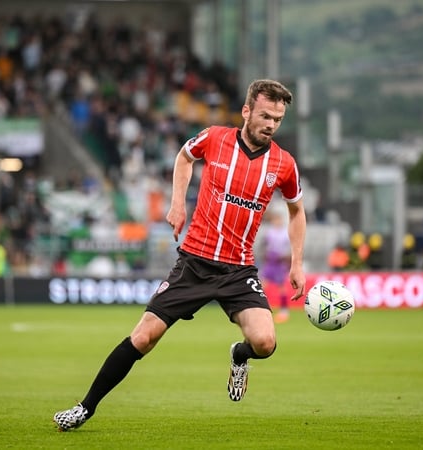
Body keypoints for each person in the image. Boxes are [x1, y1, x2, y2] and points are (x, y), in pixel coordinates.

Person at [53, 79, 307, 431]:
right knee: (143, 338)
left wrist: (297, 262)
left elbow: (297, 211)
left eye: (277, 120)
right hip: (195, 262)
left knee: (264, 342)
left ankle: (239, 355)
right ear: (247, 111)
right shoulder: (214, 138)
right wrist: (176, 204)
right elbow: (184, 157)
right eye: (265, 116)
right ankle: (85, 407)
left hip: (238, 271)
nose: (270, 125)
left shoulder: (283, 164)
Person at [259, 208, 292, 323]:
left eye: (279, 220)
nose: (277, 222)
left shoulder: (285, 233)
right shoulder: (270, 232)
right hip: (270, 261)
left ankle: (284, 310)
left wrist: (287, 259)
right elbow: (264, 245)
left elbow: (290, 248)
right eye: (275, 220)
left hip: (279, 262)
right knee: (262, 286)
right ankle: (261, 308)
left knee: (281, 287)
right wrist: (265, 254)